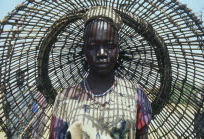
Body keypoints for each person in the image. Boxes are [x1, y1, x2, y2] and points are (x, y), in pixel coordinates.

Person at [50, 6, 152, 139]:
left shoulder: (136, 95)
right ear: (84, 49)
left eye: (109, 46)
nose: (101, 53)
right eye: (92, 46)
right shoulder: (65, 98)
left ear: (118, 48)